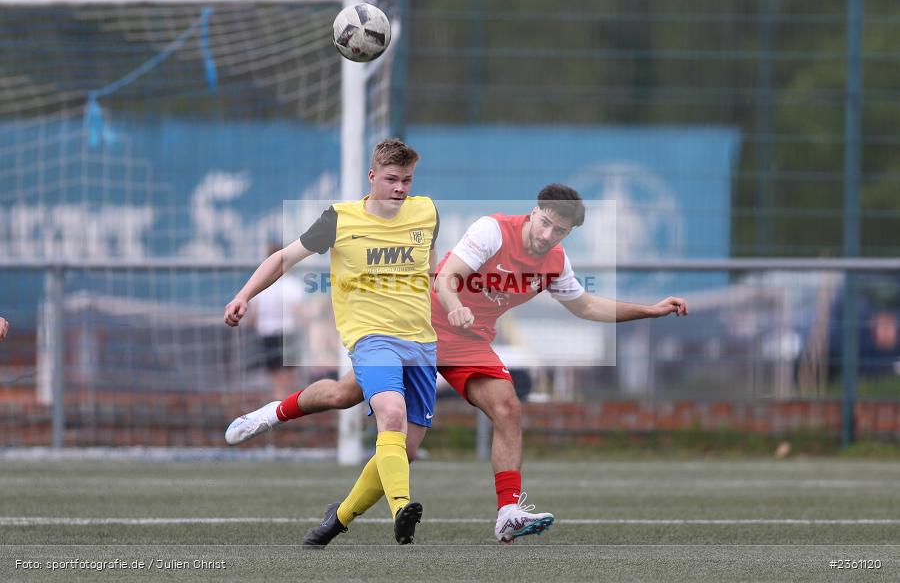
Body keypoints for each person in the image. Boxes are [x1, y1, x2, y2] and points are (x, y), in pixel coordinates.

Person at [227, 183, 688, 544]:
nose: (548, 235)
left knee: (504, 409)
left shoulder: (555, 261)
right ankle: (273, 412)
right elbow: (446, 276)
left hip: (468, 344)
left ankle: (507, 512)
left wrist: (648, 309)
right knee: (342, 395)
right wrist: (455, 305)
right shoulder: (492, 230)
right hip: (420, 327)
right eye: (545, 223)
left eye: (560, 231)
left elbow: (585, 307)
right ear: (534, 213)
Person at [224, 139, 439, 547]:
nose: (400, 188)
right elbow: (282, 259)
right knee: (390, 414)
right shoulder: (340, 219)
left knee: (375, 425)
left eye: (406, 180)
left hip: (421, 342)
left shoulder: (426, 211)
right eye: (391, 179)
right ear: (372, 177)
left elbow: (430, 269)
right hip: (370, 337)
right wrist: (244, 295)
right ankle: (401, 509)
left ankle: (335, 519)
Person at [250, 243, 305, 399]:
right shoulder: (292, 284)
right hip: (288, 332)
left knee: (276, 378)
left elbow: (253, 316)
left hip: (267, 333)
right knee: (288, 376)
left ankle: (278, 404)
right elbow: (298, 311)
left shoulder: (260, 284)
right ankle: (285, 406)